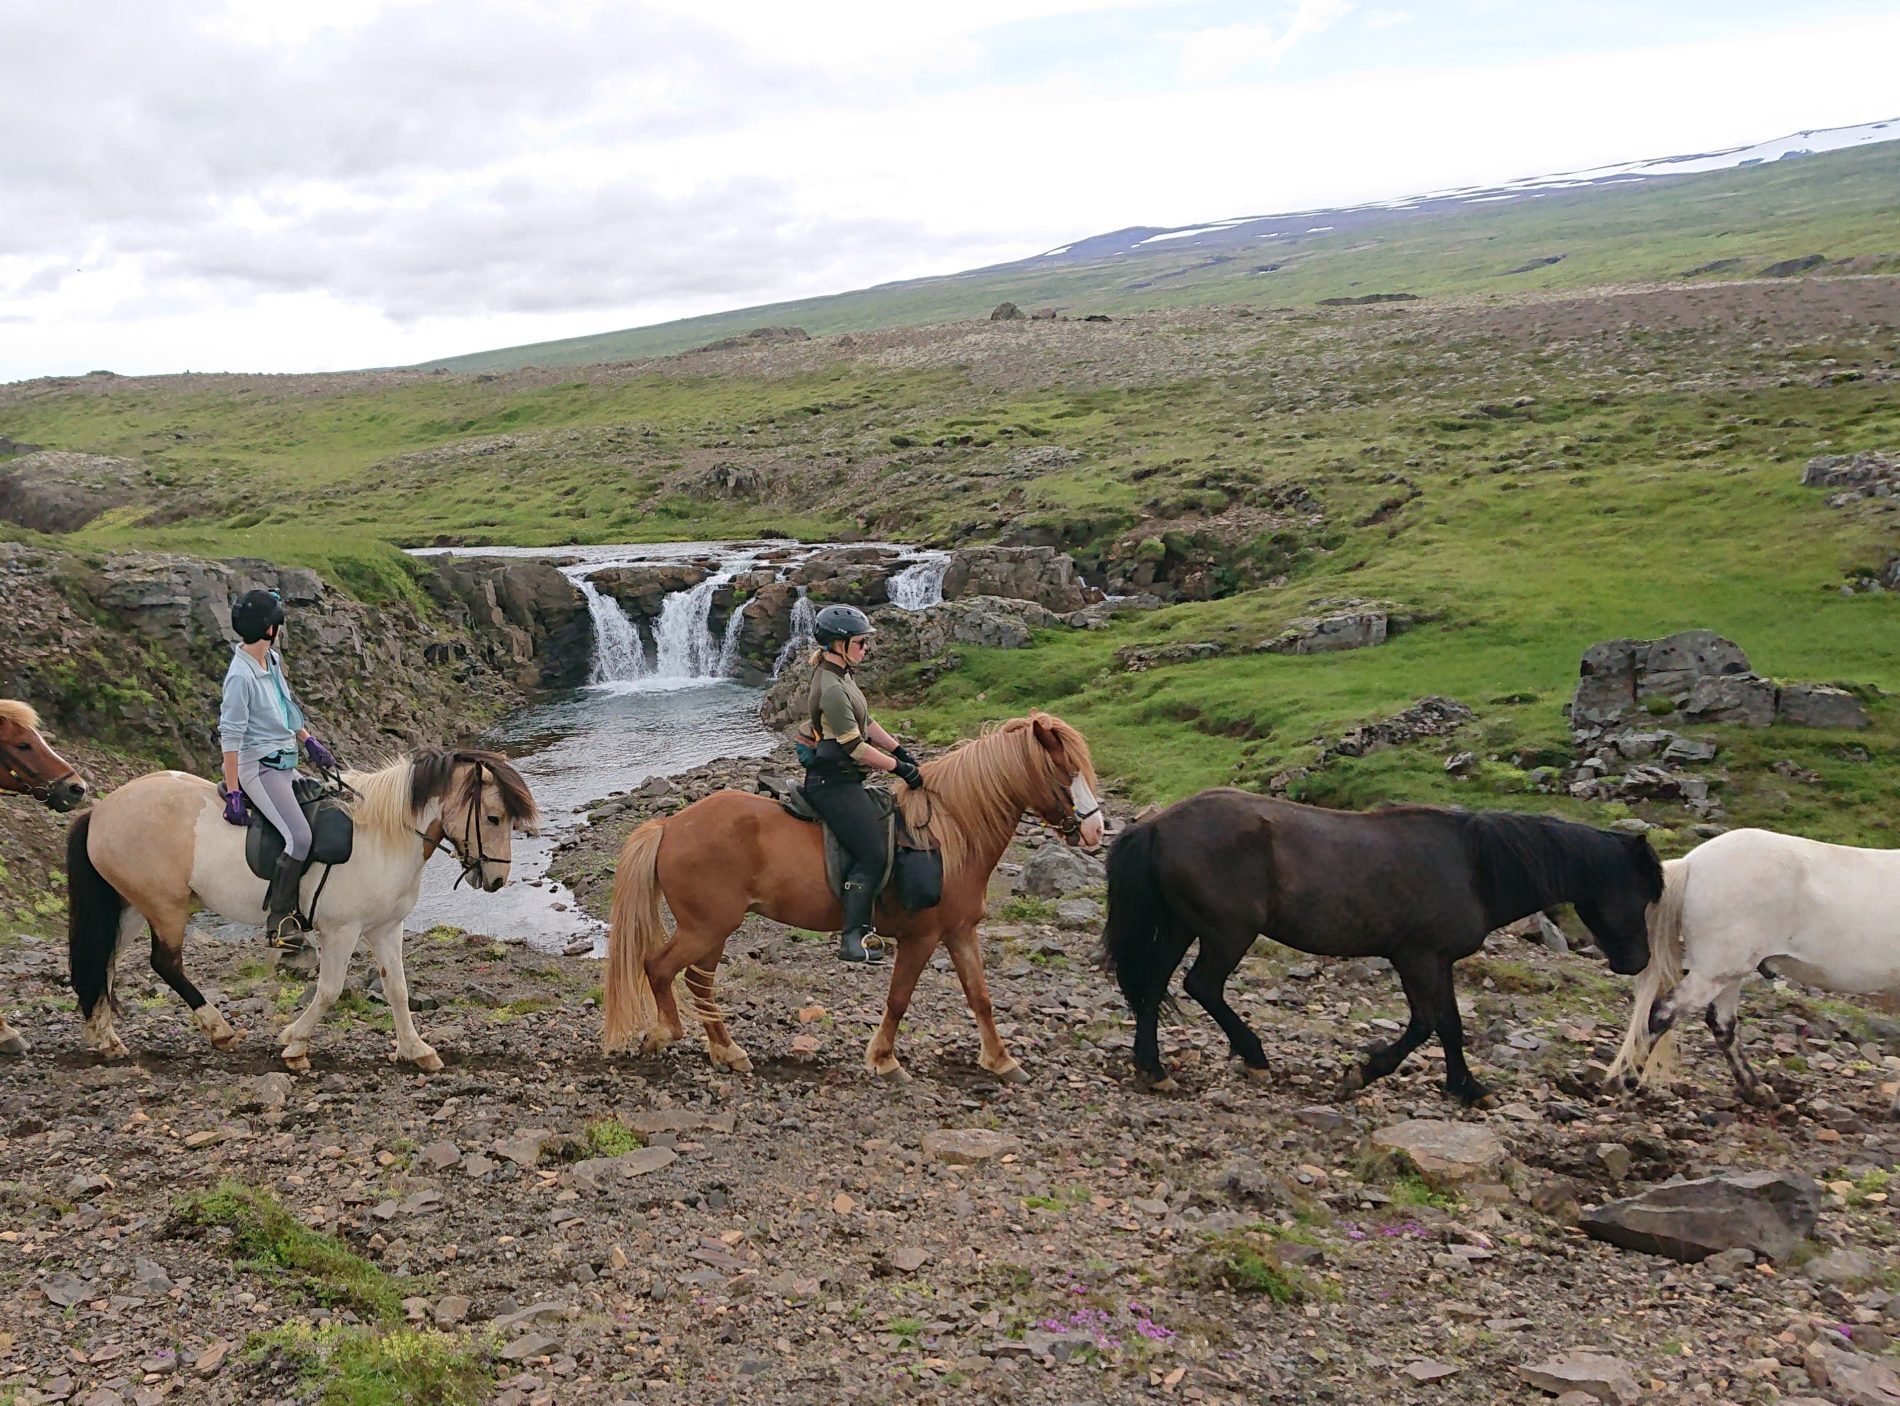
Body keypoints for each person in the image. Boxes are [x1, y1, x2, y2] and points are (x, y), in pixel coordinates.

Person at [800, 604, 925, 964]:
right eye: (860, 643)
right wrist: (901, 770)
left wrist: (900, 749)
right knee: (872, 852)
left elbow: (867, 724)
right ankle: (853, 936)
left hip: (846, 778)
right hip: (833, 783)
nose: (865, 649)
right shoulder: (831, 688)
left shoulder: (843, 676)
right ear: (838, 645)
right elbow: (854, 747)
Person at [218, 589, 339, 946]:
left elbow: (286, 708)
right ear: (269, 629)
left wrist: (309, 741)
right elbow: (231, 739)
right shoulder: (239, 678)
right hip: (260, 768)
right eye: (278, 625)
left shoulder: (270, 660)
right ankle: (280, 922)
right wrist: (235, 791)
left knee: (323, 807)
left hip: (287, 761)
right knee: (298, 836)